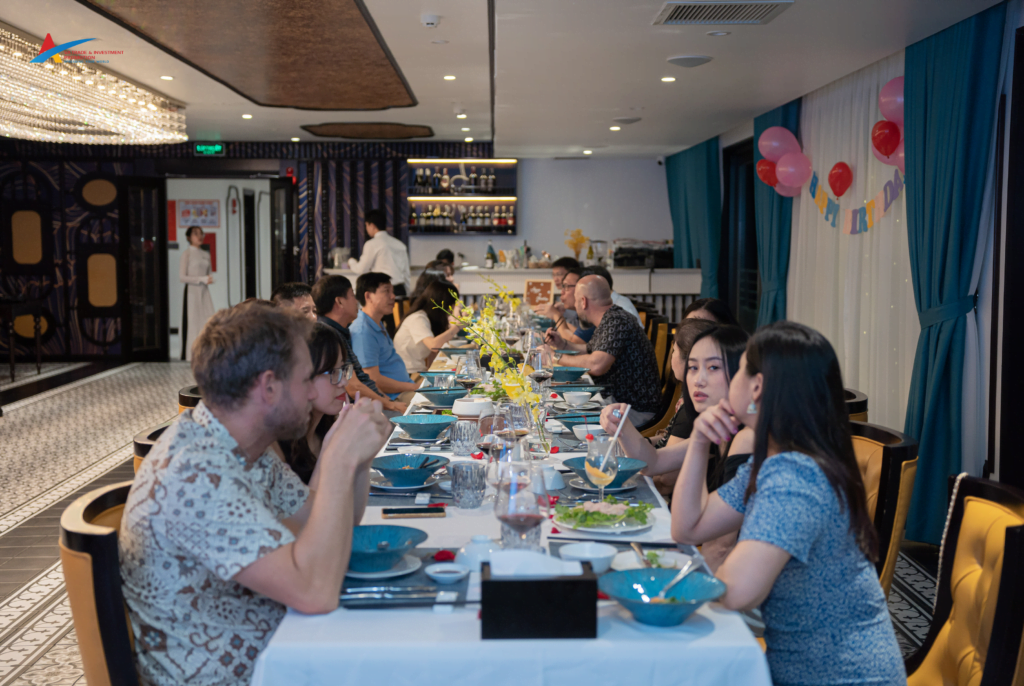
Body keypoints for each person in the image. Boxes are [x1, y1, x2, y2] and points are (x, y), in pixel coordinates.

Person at [119, 301, 391, 686]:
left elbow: (323, 522)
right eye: (303, 381)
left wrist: (357, 457)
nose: (311, 395)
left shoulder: (244, 449)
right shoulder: (195, 475)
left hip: (284, 654)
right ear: (268, 387)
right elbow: (316, 593)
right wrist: (338, 463)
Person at [670, 321, 904, 685]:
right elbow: (687, 528)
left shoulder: (796, 476)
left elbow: (734, 591)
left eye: (737, 370)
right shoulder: (777, 461)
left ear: (757, 388)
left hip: (840, 677)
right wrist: (700, 441)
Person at [602, 325, 752, 570]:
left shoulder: (747, 439)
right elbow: (653, 463)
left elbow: (720, 547)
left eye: (713, 367)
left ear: (742, 375)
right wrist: (622, 425)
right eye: (693, 367)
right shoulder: (719, 429)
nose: (698, 379)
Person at [544, 275, 661, 425]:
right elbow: (589, 350)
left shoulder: (617, 321)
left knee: (560, 417)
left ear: (583, 301)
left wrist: (554, 356)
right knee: (559, 408)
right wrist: (562, 345)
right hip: (617, 402)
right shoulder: (611, 318)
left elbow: (596, 365)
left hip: (633, 410)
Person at [312, 274, 407, 414]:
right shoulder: (328, 336)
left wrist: (387, 401)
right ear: (339, 302)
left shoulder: (340, 331)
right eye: (352, 296)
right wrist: (390, 405)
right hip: (356, 411)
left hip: (372, 404)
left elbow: (363, 379)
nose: (357, 301)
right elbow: (353, 386)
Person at [274, 324, 354, 484]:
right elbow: (310, 507)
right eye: (332, 372)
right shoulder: (277, 448)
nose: (343, 381)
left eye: (343, 369)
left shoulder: (326, 430)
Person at [350, 272, 421, 403]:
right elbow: (373, 380)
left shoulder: (377, 322)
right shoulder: (363, 331)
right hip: (393, 397)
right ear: (368, 296)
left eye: (392, 291)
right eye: (386, 291)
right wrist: (415, 387)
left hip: (403, 388)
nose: (393, 296)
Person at [394, 281, 463, 375]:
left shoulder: (430, 319)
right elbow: (434, 346)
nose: (453, 308)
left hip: (417, 371)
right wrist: (457, 327)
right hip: (407, 373)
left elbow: (433, 354)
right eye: (452, 303)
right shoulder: (418, 318)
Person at [347, 208, 412, 296]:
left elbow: (361, 269)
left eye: (366, 225)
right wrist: (407, 294)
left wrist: (351, 262)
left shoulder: (372, 244)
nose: (366, 229)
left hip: (383, 291)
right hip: (400, 290)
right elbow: (406, 273)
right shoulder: (400, 244)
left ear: (372, 225)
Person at [179, 226, 216, 361]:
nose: (199, 236)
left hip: (204, 292)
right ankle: (191, 354)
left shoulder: (206, 254)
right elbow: (182, 277)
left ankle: (207, 353)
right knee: (193, 322)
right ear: (189, 237)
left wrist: (208, 279)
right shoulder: (187, 254)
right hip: (192, 292)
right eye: (195, 234)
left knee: (207, 320)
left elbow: (209, 273)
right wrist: (200, 279)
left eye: (201, 234)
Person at [537, 268, 592, 344]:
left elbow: (574, 342)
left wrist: (556, 315)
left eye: (566, 286)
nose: (562, 292)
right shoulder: (581, 313)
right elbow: (576, 332)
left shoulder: (591, 314)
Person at [548, 256, 583, 329]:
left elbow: (579, 337)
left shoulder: (581, 297)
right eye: (554, 275)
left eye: (559, 274)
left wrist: (556, 315)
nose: (555, 279)